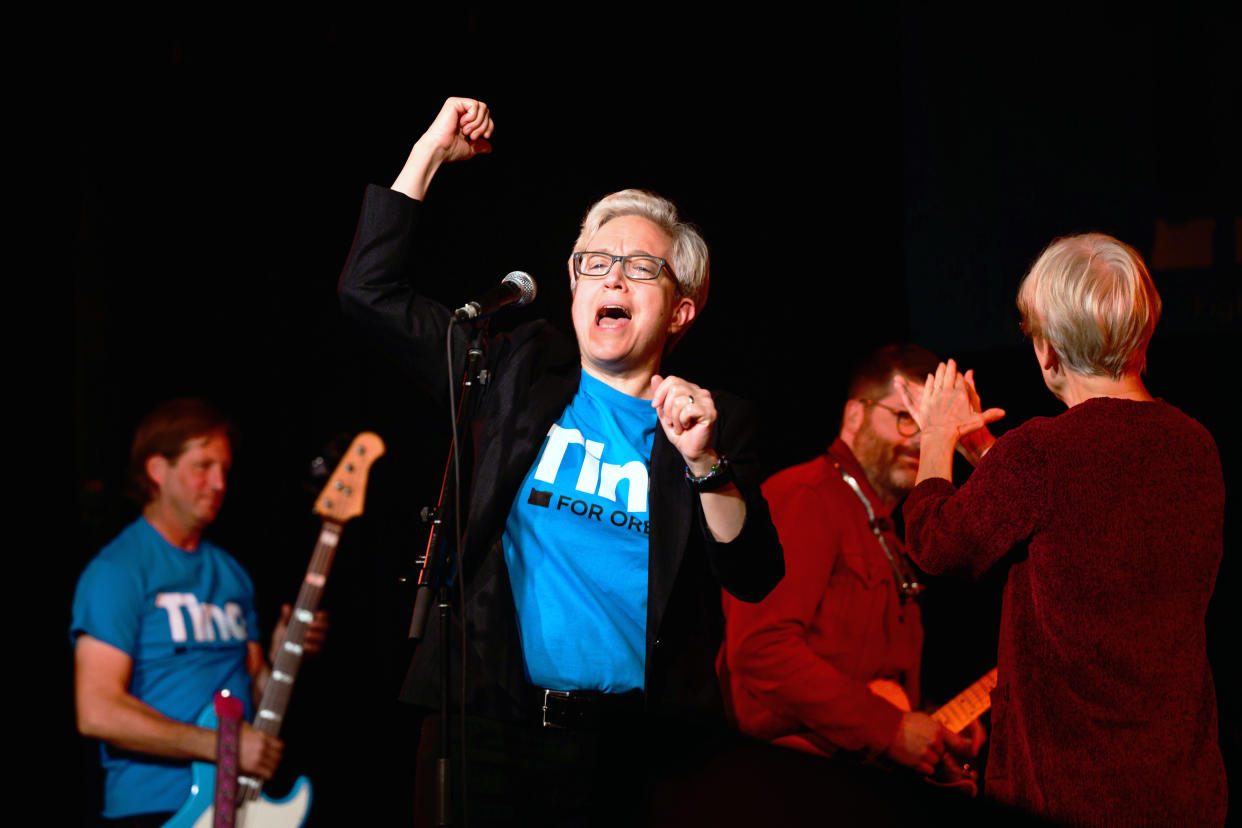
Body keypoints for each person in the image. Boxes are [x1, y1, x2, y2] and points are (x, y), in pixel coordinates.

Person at [337, 97, 784, 825]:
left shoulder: (716, 420)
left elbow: (755, 573)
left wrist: (705, 463)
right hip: (488, 726)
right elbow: (369, 293)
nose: (612, 279)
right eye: (596, 263)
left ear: (680, 310)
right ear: (573, 285)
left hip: (636, 751)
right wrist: (428, 153)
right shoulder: (509, 369)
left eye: (640, 267)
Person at [898, 233, 1227, 824]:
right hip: (1180, 788)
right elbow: (1085, 513)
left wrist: (936, 441)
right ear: (1143, 334)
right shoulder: (1195, 447)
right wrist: (989, 456)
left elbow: (936, 546)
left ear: (1048, 351)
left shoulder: (1043, 454)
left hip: (1071, 793)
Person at [718, 344, 984, 783]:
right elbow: (760, 648)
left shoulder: (886, 529)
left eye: (931, 426)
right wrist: (889, 728)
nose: (919, 440)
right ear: (854, 416)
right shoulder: (806, 496)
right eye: (904, 418)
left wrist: (932, 725)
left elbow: (873, 680)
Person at [71, 398, 327, 826]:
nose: (219, 483)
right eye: (203, 466)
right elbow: (97, 710)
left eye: (225, 469)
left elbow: (257, 697)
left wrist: (282, 653)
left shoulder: (232, 575)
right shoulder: (117, 571)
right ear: (157, 470)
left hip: (238, 805)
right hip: (155, 809)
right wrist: (221, 746)